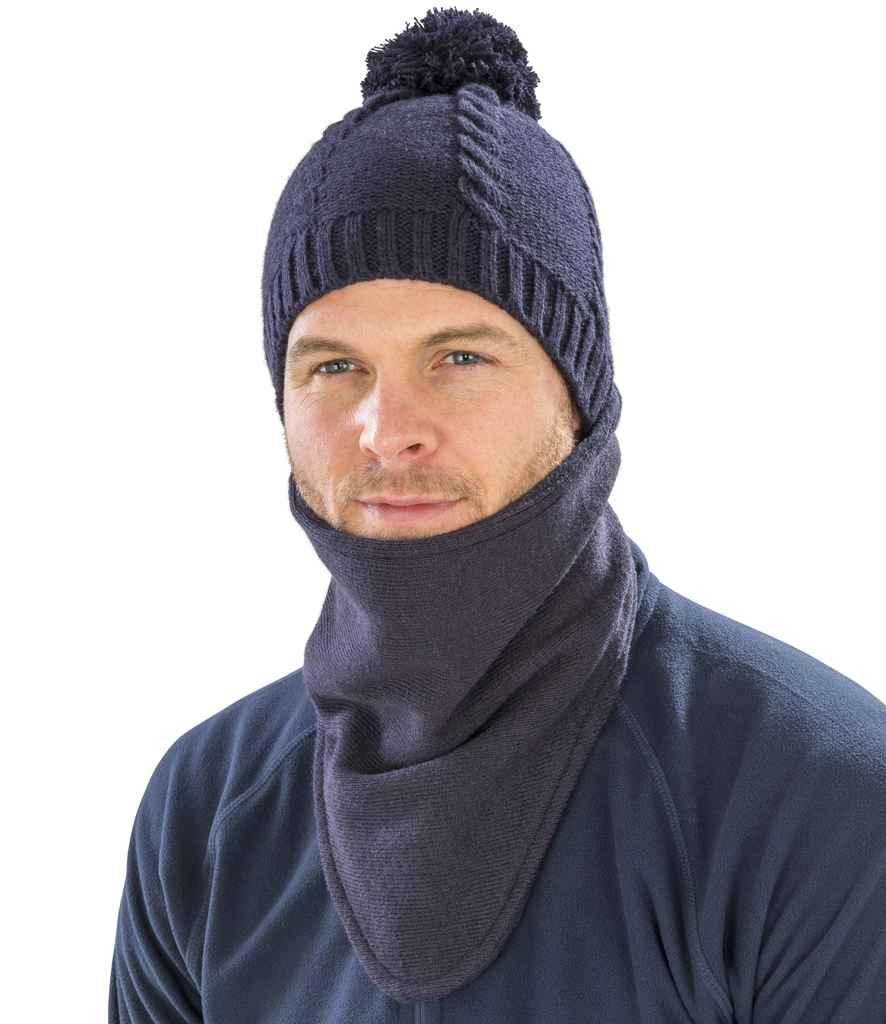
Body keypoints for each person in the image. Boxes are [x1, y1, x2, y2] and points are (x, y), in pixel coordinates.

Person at [109, 9, 886, 1022]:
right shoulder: (205, 809)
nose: (387, 430)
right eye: (334, 366)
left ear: (577, 392)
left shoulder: (815, 793)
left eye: (460, 356)